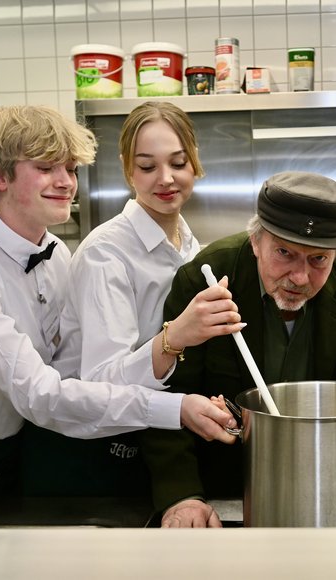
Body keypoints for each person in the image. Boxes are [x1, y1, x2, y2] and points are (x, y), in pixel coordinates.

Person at [0, 105, 236, 499]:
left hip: (32, 443)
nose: (66, 182)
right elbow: (40, 394)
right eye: (46, 167)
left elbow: (63, 366)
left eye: (70, 168)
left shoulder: (54, 252)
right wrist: (175, 407)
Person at [142, 171, 336, 527]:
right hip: (231, 488)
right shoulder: (206, 277)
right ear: (256, 242)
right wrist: (183, 495)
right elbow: (167, 393)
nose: (299, 278)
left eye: (319, 260)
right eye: (284, 252)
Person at [20, 101, 245, 497]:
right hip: (91, 453)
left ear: (195, 162)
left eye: (178, 163)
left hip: (151, 445)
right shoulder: (106, 254)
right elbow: (101, 381)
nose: (166, 179)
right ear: (127, 169)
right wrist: (175, 337)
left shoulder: (190, 247)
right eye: (147, 166)